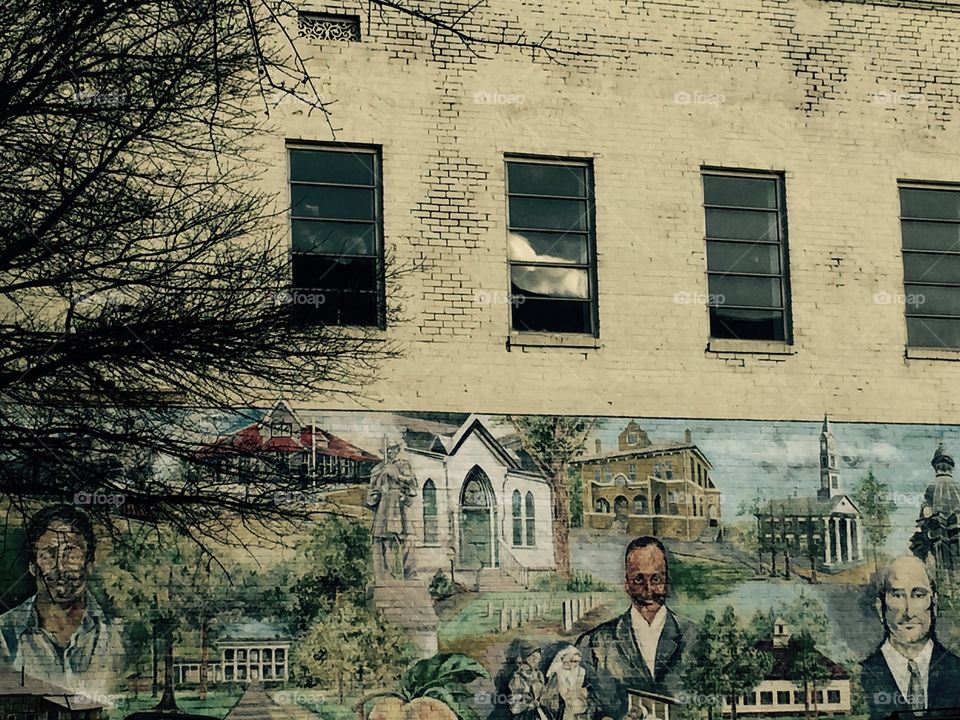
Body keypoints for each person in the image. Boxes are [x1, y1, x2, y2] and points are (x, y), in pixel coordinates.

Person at [0, 505, 124, 695]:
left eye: (72, 555)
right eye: (48, 555)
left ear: (89, 565)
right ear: (33, 566)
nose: (60, 567)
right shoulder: (5, 634)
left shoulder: (117, 635)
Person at [576, 537, 690, 699]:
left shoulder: (695, 637)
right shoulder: (594, 644)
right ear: (626, 584)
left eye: (656, 579)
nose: (648, 589)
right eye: (638, 580)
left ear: (667, 582)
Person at [861, 554, 960, 720]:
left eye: (919, 595)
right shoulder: (861, 675)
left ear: (934, 603)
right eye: (898, 595)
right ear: (880, 608)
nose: (909, 612)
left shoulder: (957, 671)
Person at [365, 444, 417, 579]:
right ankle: (387, 575)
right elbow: (371, 495)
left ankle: (408, 573)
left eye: (394, 450)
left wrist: (397, 476)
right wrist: (377, 492)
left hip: (400, 509)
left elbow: (412, 487)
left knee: (409, 539)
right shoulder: (378, 469)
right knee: (384, 540)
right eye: (389, 450)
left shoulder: (404, 466)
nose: (391, 452)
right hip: (384, 508)